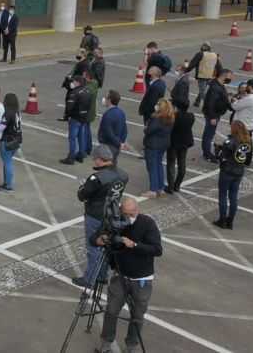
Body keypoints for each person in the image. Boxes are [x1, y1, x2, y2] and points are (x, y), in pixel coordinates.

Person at [92, 197, 163, 353]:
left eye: (131, 213)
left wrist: (134, 244)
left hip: (142, 279)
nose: (128, 217)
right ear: (119, 211)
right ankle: (106, 342)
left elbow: (157, 250)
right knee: (111, 310)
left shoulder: (147, 223)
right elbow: (93, 239)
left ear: (138, 211)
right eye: (125, 213)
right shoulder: (114, 222)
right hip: (120, 275)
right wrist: (99, 240)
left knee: (137, 315)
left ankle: (131, 345)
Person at [73, 144, 129, 288]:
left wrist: (81, 186)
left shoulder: (96, 178)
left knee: (94, 245)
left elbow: (83, 196)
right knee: (105, 245)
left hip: (95, 215)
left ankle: (89, 278)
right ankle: (102, 275)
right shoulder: (123, 175)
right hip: (112, 214)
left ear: (98, 159)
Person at [213, 120, 252, 230]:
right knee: (234, 196)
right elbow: (248, 159)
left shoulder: (230, 142)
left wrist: (217, 147)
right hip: (239, 171)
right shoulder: (248, 141)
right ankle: (230, 220)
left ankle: (222, 219)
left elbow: (221, 156)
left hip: (227, 171)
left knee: (222, 195)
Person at [141, 99, 173, 198]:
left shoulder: (158, 119)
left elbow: (148, 131)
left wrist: (146, 128)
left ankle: (153, 190)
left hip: (153, 145)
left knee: (152, 167)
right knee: (158, 165)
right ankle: (160, 187)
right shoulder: (169, 118)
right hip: (163, 144)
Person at [202, 69, 233, 163]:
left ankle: (207, 152)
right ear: (224, 76)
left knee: (210, 133)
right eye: (229, 76)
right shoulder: (216, 88)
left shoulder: (219, 86)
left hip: (216, 114)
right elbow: (211, 103)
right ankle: (207, 154)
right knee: (209, 134)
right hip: (213, 115)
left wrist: (225, 94)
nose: (230, 79)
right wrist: (212, 117)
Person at [59, 75, 91, 165]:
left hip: (75, 117)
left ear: (77, 82)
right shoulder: (88, 91)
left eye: (73, 81)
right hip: (84, 117)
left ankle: (70, 158)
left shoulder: (74, 93)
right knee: (81, 136)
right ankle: (81, 155)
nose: (72, 83)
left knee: (72, 138)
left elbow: (69, 108)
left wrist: (67, 116)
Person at [166, 96, 194, 194]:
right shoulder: (191, 116)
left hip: (174, 142)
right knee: (182, 164)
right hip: (185, 142)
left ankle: (170, 186)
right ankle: (177, 185)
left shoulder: (174, 116)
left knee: (171, 163)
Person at [230, 78, 253, 157]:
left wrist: (235, 101)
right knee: (247, 142)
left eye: (247, 86)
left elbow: (236, 107)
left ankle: (241, 159)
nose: (245, 88)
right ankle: (247, 160)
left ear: (250, 87)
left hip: (242, 124)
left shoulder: (250, 98)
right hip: (249, 123)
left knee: (240, 143)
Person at [0, 93, 22, 192]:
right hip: (18, 140)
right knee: (7, 161)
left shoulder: (8, 113)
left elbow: (2, 127)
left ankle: (9, 184)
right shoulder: (17, 113)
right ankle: (7, 182)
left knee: (7, 162)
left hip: (8, 140)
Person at [97, 90, 129, 160]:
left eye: (106, 98)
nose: (104, 100)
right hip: (116, 146)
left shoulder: (107, 114)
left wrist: (118, 144)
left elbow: (108, 132)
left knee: (106, 166)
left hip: (107, 145)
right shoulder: (121, 112)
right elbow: (125, 131)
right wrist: (120, 143)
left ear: (109, 100)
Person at [189, 42, 221, 108]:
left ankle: (208, 105)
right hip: (209, 76)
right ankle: (197, 101)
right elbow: (219, 66)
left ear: (204, 47)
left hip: (202, 75)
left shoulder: (200, 54)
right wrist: (218, 76)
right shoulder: (214, 55)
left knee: (203, 91)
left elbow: (192, 64)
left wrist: (186, 70)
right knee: (202, 89)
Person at [82, 68, 99, 158]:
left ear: (87, 77)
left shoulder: (88, 88)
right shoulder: (94, 85)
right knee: (87, 130)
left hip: (86, 113)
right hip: (91, 112)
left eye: (84, 75)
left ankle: (84, 149)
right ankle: (88, 148)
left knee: (84, 131)